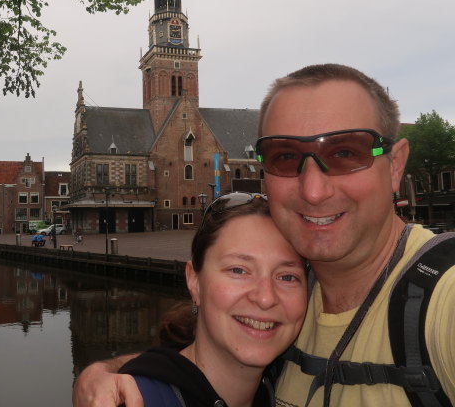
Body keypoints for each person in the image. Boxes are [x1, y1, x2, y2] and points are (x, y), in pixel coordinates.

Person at [72, 64, 455, 406]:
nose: (313, 190)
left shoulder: (443, 299)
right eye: (285, 157)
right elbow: (203, 355)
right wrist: (109, 373)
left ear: (395, 165)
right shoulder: (289, 298)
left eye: (345, 153)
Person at [118, 192, 307, 406]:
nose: (265, 298)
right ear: (194, 281)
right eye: (238, 270)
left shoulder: (289, 386)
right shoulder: (138, 400)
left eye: (287, 277)